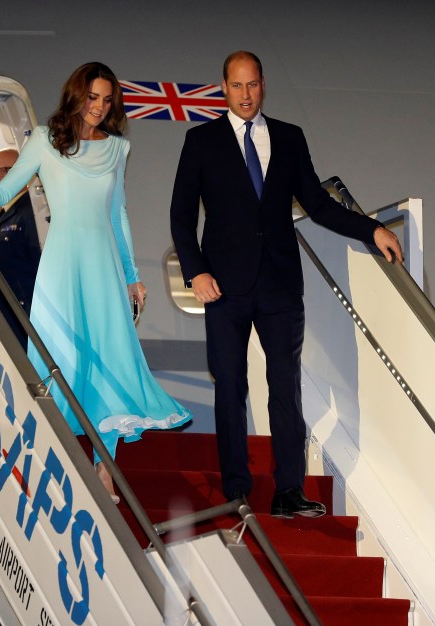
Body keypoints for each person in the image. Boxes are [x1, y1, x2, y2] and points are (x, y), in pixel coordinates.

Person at [0, 62, 191, 502]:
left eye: (106, 100)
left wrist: (132, 277)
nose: (98, 107)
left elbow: (118, 216)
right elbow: (1, 194)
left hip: (105, 267)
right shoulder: (43, 141)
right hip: (61, 266)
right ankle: (46, 457)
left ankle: (104, 467)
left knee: (107, 359)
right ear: (76, 95)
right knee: (62, 358)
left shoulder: (117, 149)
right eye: (92, 97)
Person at [169, 51, 403, 518]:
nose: (246, 95)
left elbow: (316, 202)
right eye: (237, 87)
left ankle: (288, 492)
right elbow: (180, 214)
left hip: (278, 285)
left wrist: (368, 228)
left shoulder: (289, 137)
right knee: (231, 385)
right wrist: (196, 271)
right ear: (223, 88)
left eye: (252, 85)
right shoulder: (201, 141)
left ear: (263, 85)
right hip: (225, 287)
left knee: (285, 386)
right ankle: (237, 490)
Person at [0, 148, 42, 348]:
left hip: (27, 317)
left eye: (4, 171)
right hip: (7, 316)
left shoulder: (33, 211)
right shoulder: (5, 213)